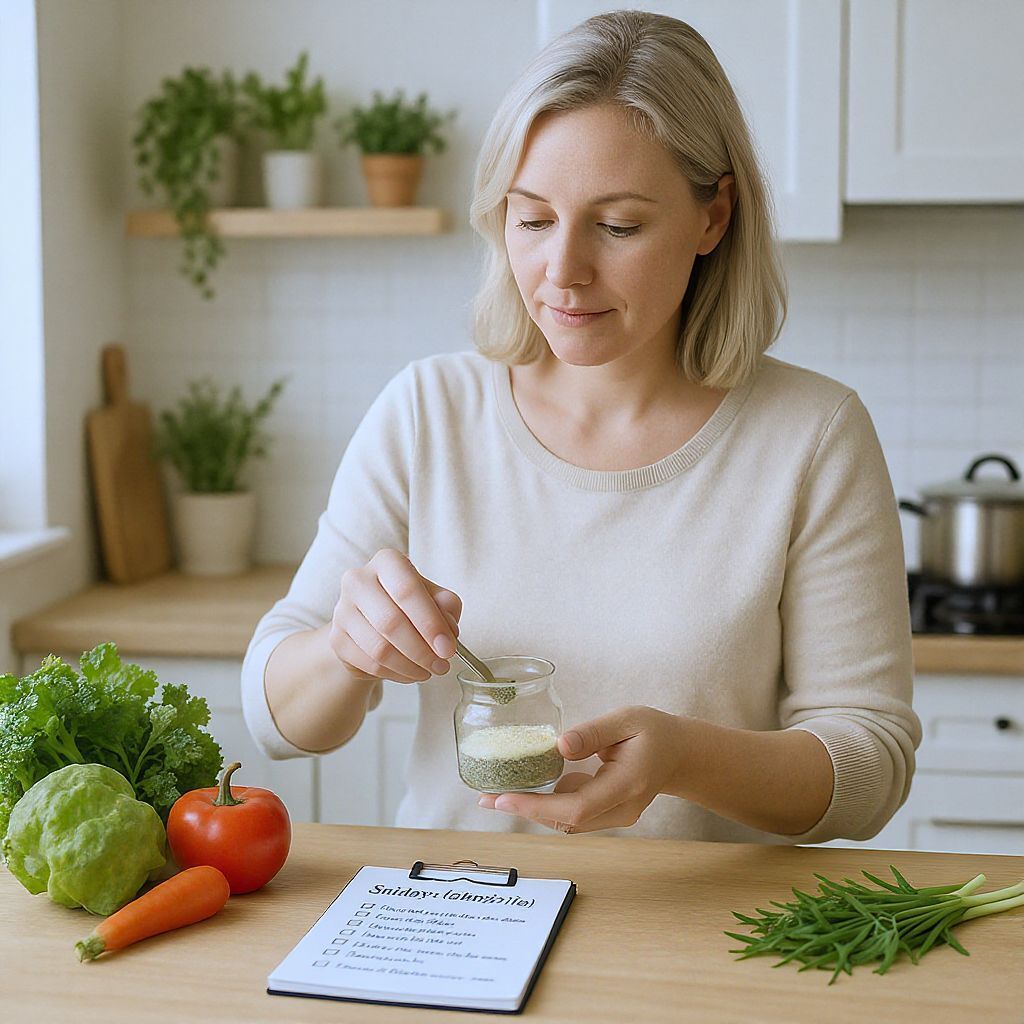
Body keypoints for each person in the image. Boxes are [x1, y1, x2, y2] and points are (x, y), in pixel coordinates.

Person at [241, 10, 920, 843]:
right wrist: (346, 650)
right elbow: (279, 722)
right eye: (532, 220)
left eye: (619, 225)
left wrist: (683, 760)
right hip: (457, 925)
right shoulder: (428, 413)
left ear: (714, 217)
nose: (562, 273)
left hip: (698, 946)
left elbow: (870, 766)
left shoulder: (812, 436)